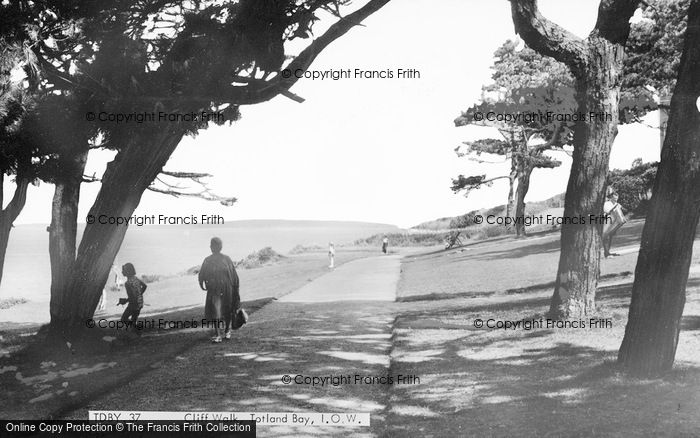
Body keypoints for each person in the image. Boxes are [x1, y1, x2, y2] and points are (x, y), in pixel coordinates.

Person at [199, 237, 240, 343]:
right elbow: (202, 274)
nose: (212, 247)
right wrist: (202, 284)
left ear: (219, 247)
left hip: (226, 288)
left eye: (214, 245)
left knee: (228, 310)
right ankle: (218, 334)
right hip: (214, 289)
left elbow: (233, 275)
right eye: (212, 245)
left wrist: (235, 288)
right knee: (215, 311)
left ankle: (227, 331)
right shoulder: (208, 260)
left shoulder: (226, 259)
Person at [117, 263, 147, 329]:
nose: (122, 272)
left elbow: (131, 298)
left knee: (124, 319)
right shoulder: (136, 279)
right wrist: (139, 294)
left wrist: (124, 301)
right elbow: (144, 286)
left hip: (133, 304)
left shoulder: (127, 283)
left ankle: (136, 329)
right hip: (140, 302)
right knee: (134, 319)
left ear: (128, 271)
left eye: (123, 270)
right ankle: (136, 331)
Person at [603, 190, 627, 258]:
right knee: (606, 237)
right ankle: (606, 253)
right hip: (607, 221)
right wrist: (615, 207)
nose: (615, 200)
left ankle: (607, 252)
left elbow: (624, 210)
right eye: (614, 199)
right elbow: (607, 212)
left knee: (610, 236)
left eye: (616, 199)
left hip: (614, 223)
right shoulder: (607, 203)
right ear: (611, 198)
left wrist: (621, 208)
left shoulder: (616, 203)